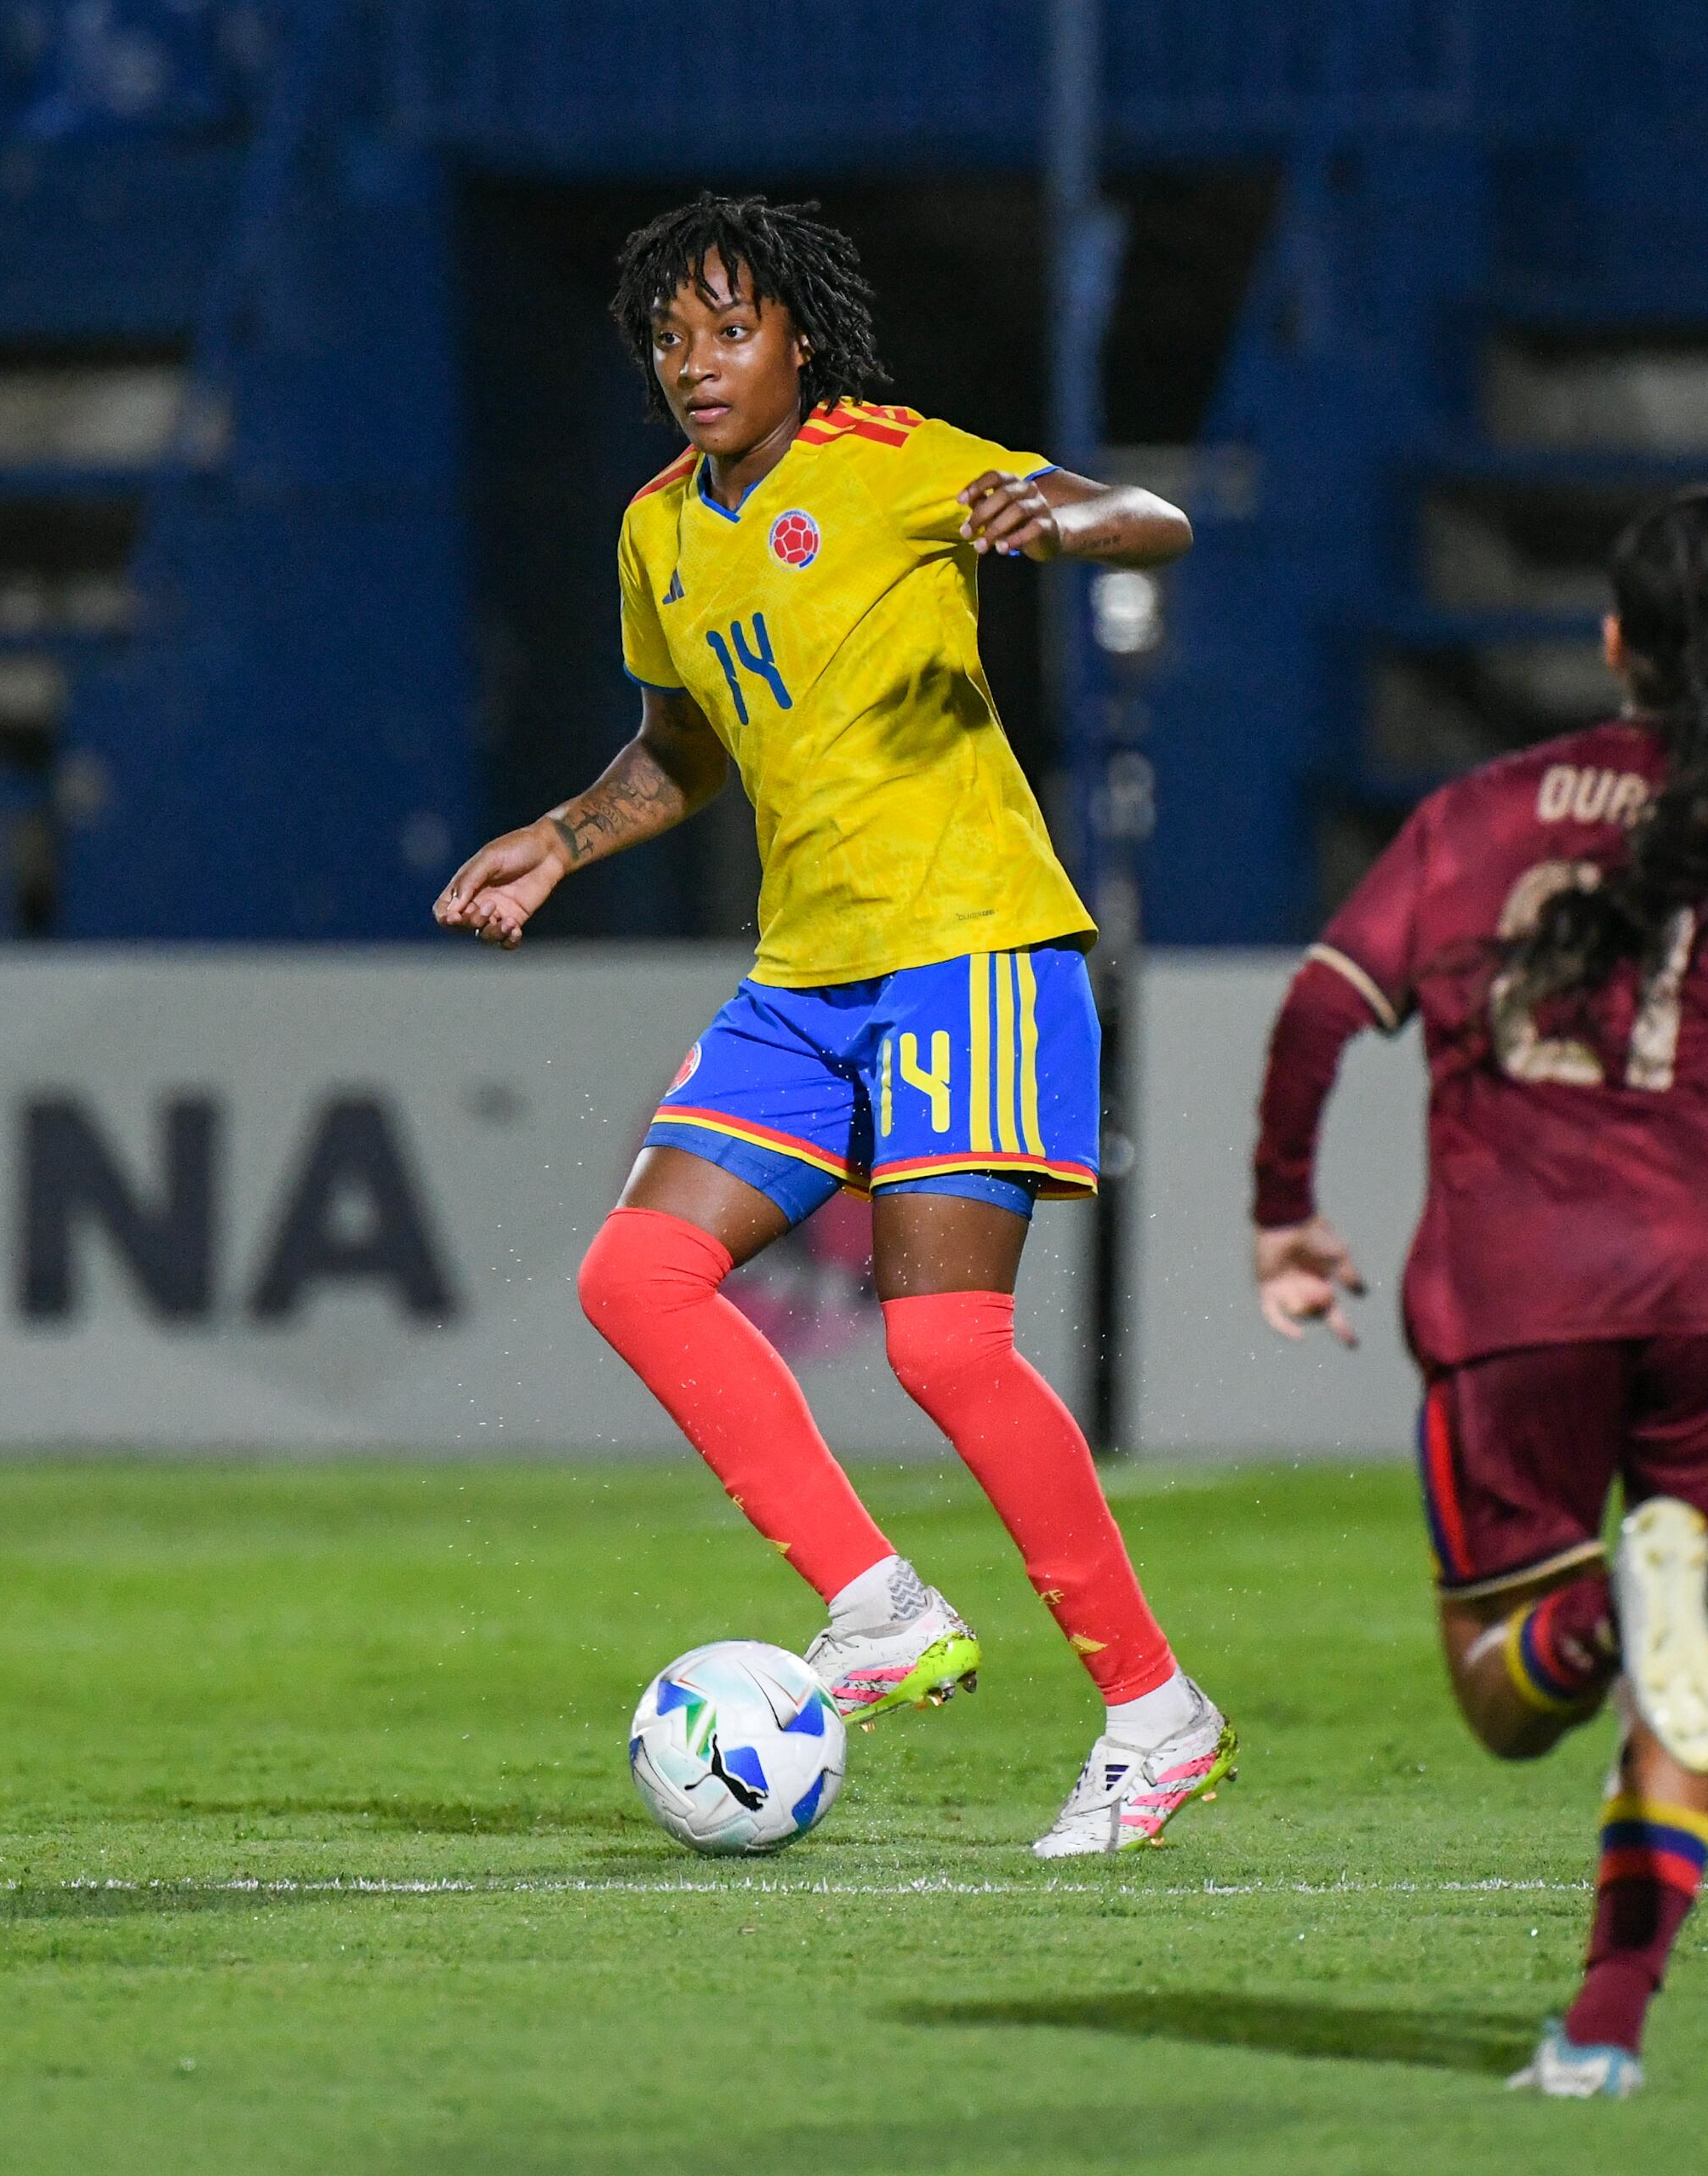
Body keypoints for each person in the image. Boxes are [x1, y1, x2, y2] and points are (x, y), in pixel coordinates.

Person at [435, 193, 1232, 1858]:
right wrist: (561, 840)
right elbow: (681, 747)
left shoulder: (889, 457)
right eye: (672, 337)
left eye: (732, 329)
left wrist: (1069, 517)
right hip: (805, 978)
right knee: (635, 1275)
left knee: (944, 1346)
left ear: (800, 340)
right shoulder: (658, 530)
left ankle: (1156, 1711)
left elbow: (1152, 515)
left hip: (971, 948)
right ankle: (876, 1602)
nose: (698, 362)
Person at [1245, 486, 1708, 2089]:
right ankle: (1602, 2032)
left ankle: (1600, 1611)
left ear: (1612, 644)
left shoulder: (1477, 815)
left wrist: (1284, 1212)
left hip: (1519, 1289)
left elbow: (1320, 1006)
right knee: (1683, 1679)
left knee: (1508, 1701)